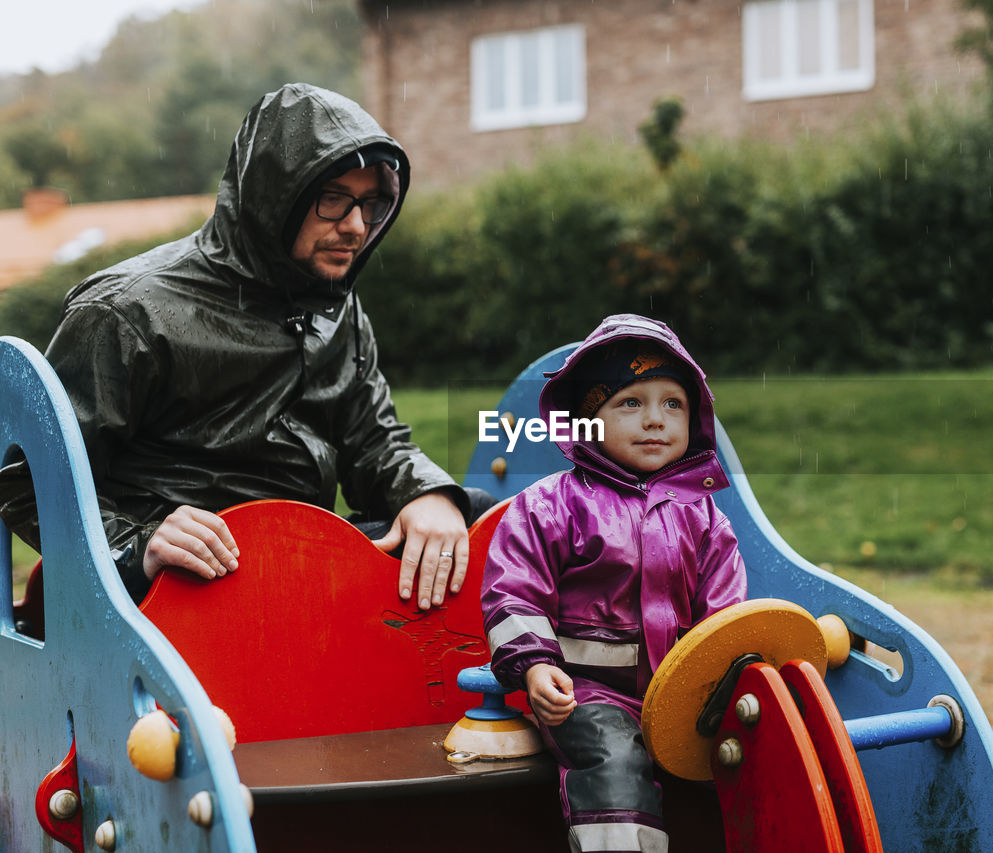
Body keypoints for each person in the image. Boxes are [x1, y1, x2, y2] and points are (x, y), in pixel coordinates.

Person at [0, 83, 486, 608]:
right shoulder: (125, 311)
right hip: (181, 585)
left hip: (298, 564)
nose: (354, 226)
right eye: (332, 200)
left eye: (370, 204)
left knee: (479, 521)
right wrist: (140, 543)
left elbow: (373, 442)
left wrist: (427, 494)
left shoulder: (334, 304)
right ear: (274, 200)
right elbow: (30, 482)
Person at [481, 313, 747, 853]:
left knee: (749, 748)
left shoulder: (705, 517)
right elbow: (514, 593)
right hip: (581, 691)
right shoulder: (552, 505)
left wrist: (725, 678)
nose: (655, 420)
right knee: (614, 758)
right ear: (587, 421)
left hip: (677, 694)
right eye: (630, 403)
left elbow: (722, 615)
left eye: (672, 403)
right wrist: (535, 666)